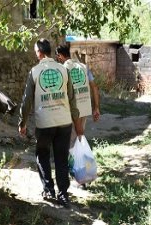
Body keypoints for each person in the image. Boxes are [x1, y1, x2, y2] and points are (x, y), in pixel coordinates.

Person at [18, 38, 83, 208]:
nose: (35, 53)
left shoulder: (34, 72)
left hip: (45, 123)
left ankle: (48, 190)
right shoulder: (63, 70)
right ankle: (63, 195)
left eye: (35, 51)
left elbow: (26, 102)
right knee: (61, 158)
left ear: (39, 52)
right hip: (64, 122)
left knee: (43, 155)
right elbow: (72, 98)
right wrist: (77, 122)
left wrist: (22, 123)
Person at [55, 44, 100, 188]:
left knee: (71, 144)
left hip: (71, 111)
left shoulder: (63, 69)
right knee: (79, 140)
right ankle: (83, 175)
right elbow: (94, 87)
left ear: (60, 56)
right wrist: (96, 107)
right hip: (84, 108)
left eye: (58, 57)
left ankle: (79, 177)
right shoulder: (83, 67)